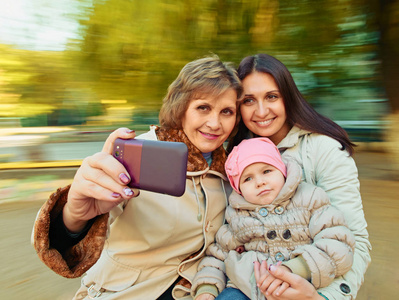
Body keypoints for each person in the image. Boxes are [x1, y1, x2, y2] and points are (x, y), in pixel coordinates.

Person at [32, 55, 242, 299]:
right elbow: (69, 240)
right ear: (181, 108)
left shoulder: (232, 170)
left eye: (226, 111)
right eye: (203, 107)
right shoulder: (139, 152)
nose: (215, 123)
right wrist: (75, 214)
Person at [225, 54, 371, 300]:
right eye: (249, 100)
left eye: (272, 96)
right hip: (245, 287)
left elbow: (354, 240)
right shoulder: (233, 156)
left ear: (288, 97)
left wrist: (321, 298)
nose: (261, 111)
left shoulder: (323, 149)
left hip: (310, 287)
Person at [191, 137, 355, 300]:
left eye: (267, 171)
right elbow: (218, 255)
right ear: (238, 188)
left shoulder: (309, 199)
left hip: (300, 285)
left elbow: (337, 243)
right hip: (246, 289)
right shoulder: (237, 215)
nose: (260, 182)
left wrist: (299, 267)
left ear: (282, 171)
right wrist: (207, 288)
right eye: (248, 178)